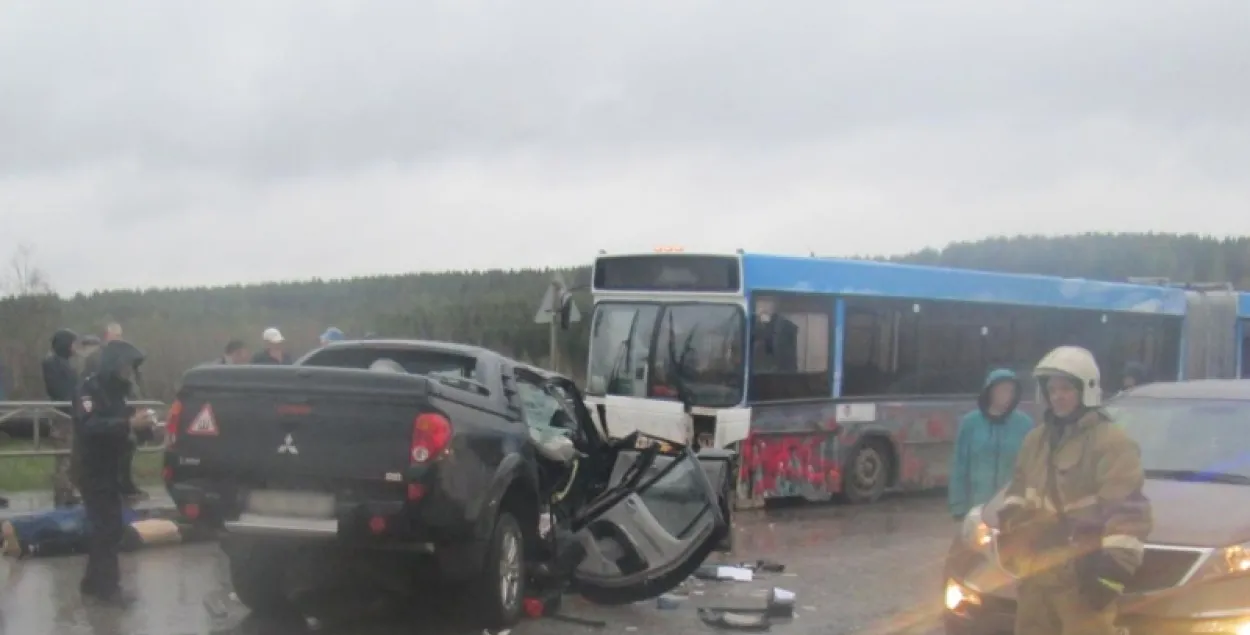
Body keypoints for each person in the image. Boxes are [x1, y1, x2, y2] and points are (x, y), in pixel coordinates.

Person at [997, 346, 1152, 635]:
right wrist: (1012, 533)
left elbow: (1128, 513)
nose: (1058, 396)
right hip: (1036, 574)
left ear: (1086, 389)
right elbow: (1017, 491)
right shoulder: (1036, 440)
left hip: (1082, 578)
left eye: (1066, 388)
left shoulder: (1111, 442)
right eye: (1052, 389)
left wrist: (1110, 574)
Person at [73, 339, 157, 606]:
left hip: (112, 467)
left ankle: (91, 582)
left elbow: (125, 428)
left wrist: (146, 429)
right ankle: (109, 588)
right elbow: (90, 426)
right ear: (113, 365)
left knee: (105, 526)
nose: (128, 372)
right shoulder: (88, 390)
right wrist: (127, 422)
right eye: (125, 366)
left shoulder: (120, 393)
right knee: (107, 527)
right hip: (91, 467)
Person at [947, 369, 1034, 521]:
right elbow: (960, 466)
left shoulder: (1025, 424)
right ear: (989, 391)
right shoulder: (970, 423)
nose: (1006, 395)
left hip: (1011, 508)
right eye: (1001, 390)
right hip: (976, 508)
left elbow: (1032, 467)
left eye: (1010, 391)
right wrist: (958, 506)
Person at [42, 328, 81, 507]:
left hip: (69, 413)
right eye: (72, 343)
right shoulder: (53, 363)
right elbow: (59, 390)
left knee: (70, 456)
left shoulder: (64, 363)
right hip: (63, 415)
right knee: (64, 457)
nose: (75, 347)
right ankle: (62, 495)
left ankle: (68, 492)